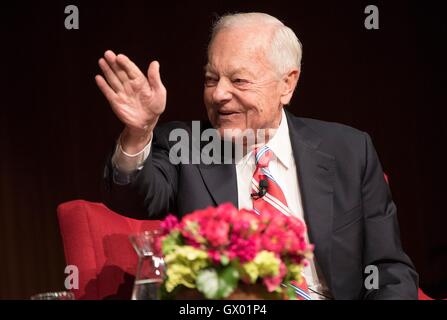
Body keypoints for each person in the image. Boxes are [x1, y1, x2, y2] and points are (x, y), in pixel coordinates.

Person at [96, 12, 418, 299]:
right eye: (211, 79)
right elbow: (133, 197)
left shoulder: (349, 150)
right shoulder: (186, 146)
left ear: (287, 84)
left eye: (238, 80)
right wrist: (139, 132)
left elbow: (390, 270)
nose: (219, 94)